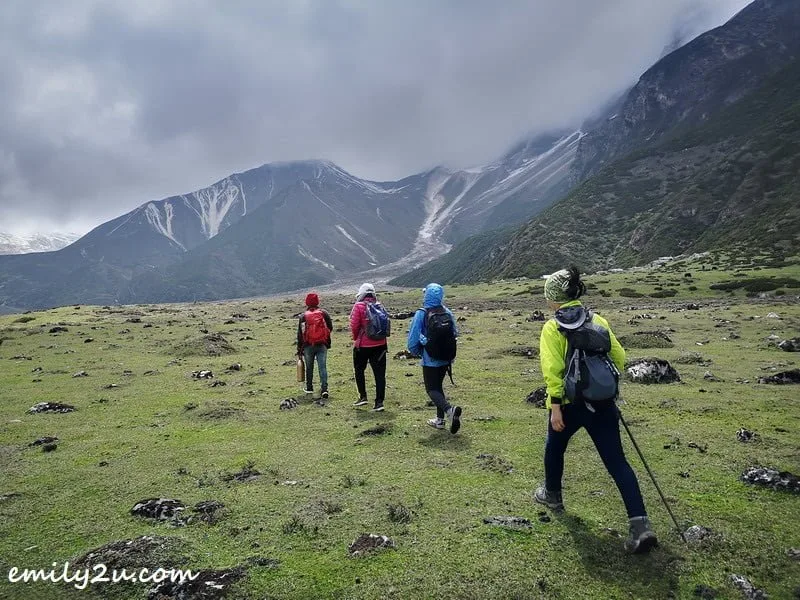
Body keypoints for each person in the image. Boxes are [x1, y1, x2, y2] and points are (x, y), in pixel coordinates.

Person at [533, 266, 657, 554]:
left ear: (554, 298)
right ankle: (640, 525)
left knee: (554, 448)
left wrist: (555, 408)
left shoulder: (552, 327)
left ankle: (552, 495)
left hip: (569, 405)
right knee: (618, 463)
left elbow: (552, 372)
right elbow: (619, 357)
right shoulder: (597, 319)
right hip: (602, 405)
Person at [407, 283, 462, 434]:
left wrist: (418, 351)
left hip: (430, 358)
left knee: (431, 389)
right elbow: (455, 333)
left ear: (426, 296)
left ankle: (450, 410)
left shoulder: (422, 313)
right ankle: (440, 421)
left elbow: (412, 339)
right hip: (446, 358)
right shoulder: (447, 312)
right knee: (438, 387)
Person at [350, 283, 387, 411]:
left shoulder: (359, 306)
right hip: (381, 345)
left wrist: (356, 338)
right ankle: (379, 402)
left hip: (363, 345)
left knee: (359, 370)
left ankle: (363, 397)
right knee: (380, 374)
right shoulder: (379, 305)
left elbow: (354, 325)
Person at [296, 293, 333, 400]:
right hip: (322, 344)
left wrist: (299, 349)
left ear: (307, 302)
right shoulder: (324, 313)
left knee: (309, 367)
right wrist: (325, 338)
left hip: (308, 346)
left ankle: (309, 387)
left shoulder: (303, 316)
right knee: (322, 367)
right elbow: (330, 327)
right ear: (317, 301)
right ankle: (324, 389)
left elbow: (300, 334)